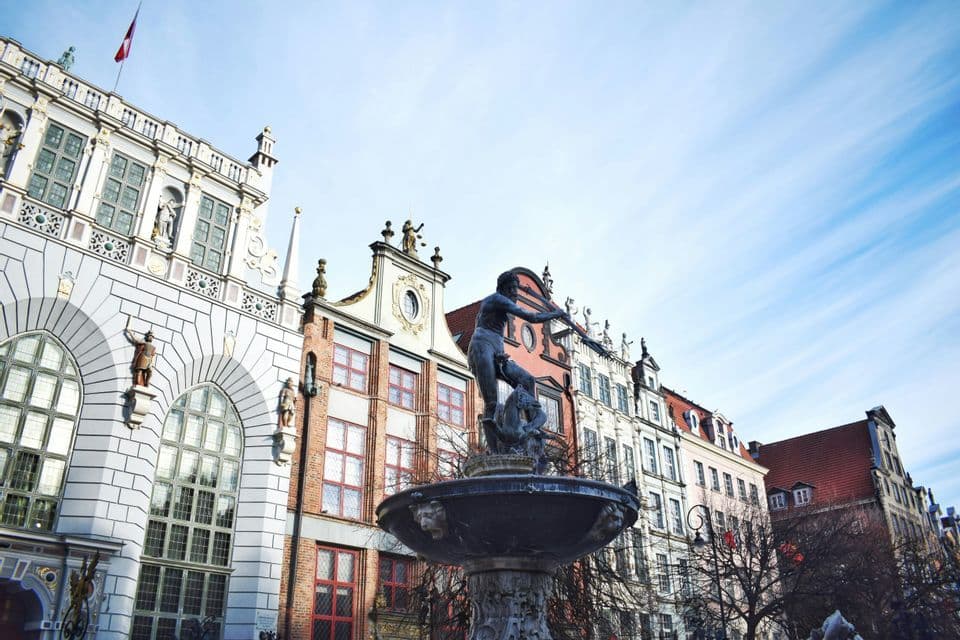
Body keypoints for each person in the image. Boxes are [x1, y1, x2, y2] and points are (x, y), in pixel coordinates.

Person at [468, 271, 565, 431]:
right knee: (491, 402)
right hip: (482, 347)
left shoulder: (499, 303)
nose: (515, 293)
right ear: (502, 289)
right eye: (511, 288)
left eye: (516, 289)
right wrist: (555, 314)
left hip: (497, 351)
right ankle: (493, 447)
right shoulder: (497, 299)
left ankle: (533, 423)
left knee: (528, 380)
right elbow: (531, 317)